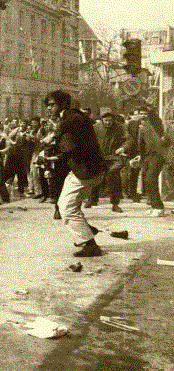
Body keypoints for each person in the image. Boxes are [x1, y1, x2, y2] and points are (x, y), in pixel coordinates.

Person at [43, 90, 106, 257]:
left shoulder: (72, 116)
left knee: (66, 208)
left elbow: (71, 124)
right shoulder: (70, 119)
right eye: (47, 105)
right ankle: (86, 231)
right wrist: (57, 156)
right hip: (85, 170)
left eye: (52, 105)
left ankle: (90, 244)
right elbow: (73, 147)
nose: (48, 108)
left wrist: (53, 135)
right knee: (67, 205)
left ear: (63, 104)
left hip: (86, 171)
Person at [132, 105, 170, 216]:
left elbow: (161, 141)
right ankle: (154, 206)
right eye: (141, 113)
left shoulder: (156, 124)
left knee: (151, 179)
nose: (143, 116)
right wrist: (140, 156)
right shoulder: (139, 125)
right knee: (147, 180)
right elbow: (141, 143)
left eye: (145, 114)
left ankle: (159, 207)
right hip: (146, 156)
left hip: (157, 155)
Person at [95, 110, 127, 213]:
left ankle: (115, 204)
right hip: (100, 157)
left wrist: (123, 148)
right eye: (106, 120)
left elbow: (128, 140)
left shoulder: (120, 127)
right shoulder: (96, 127)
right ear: (102, 120)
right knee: (95, 177)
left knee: (114, 177)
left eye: (110, 120)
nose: (108, 122)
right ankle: (92, 199)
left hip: (114, 157)